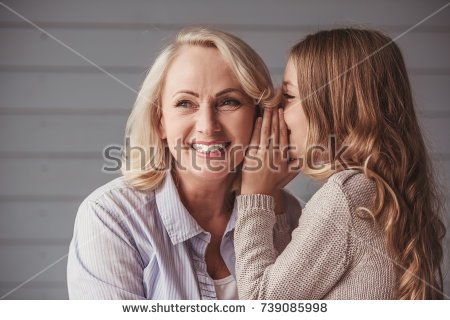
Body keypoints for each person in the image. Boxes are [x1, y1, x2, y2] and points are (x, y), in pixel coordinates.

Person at [67, 27, 301, 299]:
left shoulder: (291, 216)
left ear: (260, 116)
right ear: (160, 122)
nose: (207, 126)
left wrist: (263, 200)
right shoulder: (110, 217)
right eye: (185, 104)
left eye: (228, 102)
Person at [235, 28, 446, 299]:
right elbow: (295, 282)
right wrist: (274, 202)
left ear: (332, 107)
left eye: (288, 96)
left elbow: (260, 305)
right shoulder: (375, 188)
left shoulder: (345, 196)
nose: (275, 107)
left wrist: (255, 196)